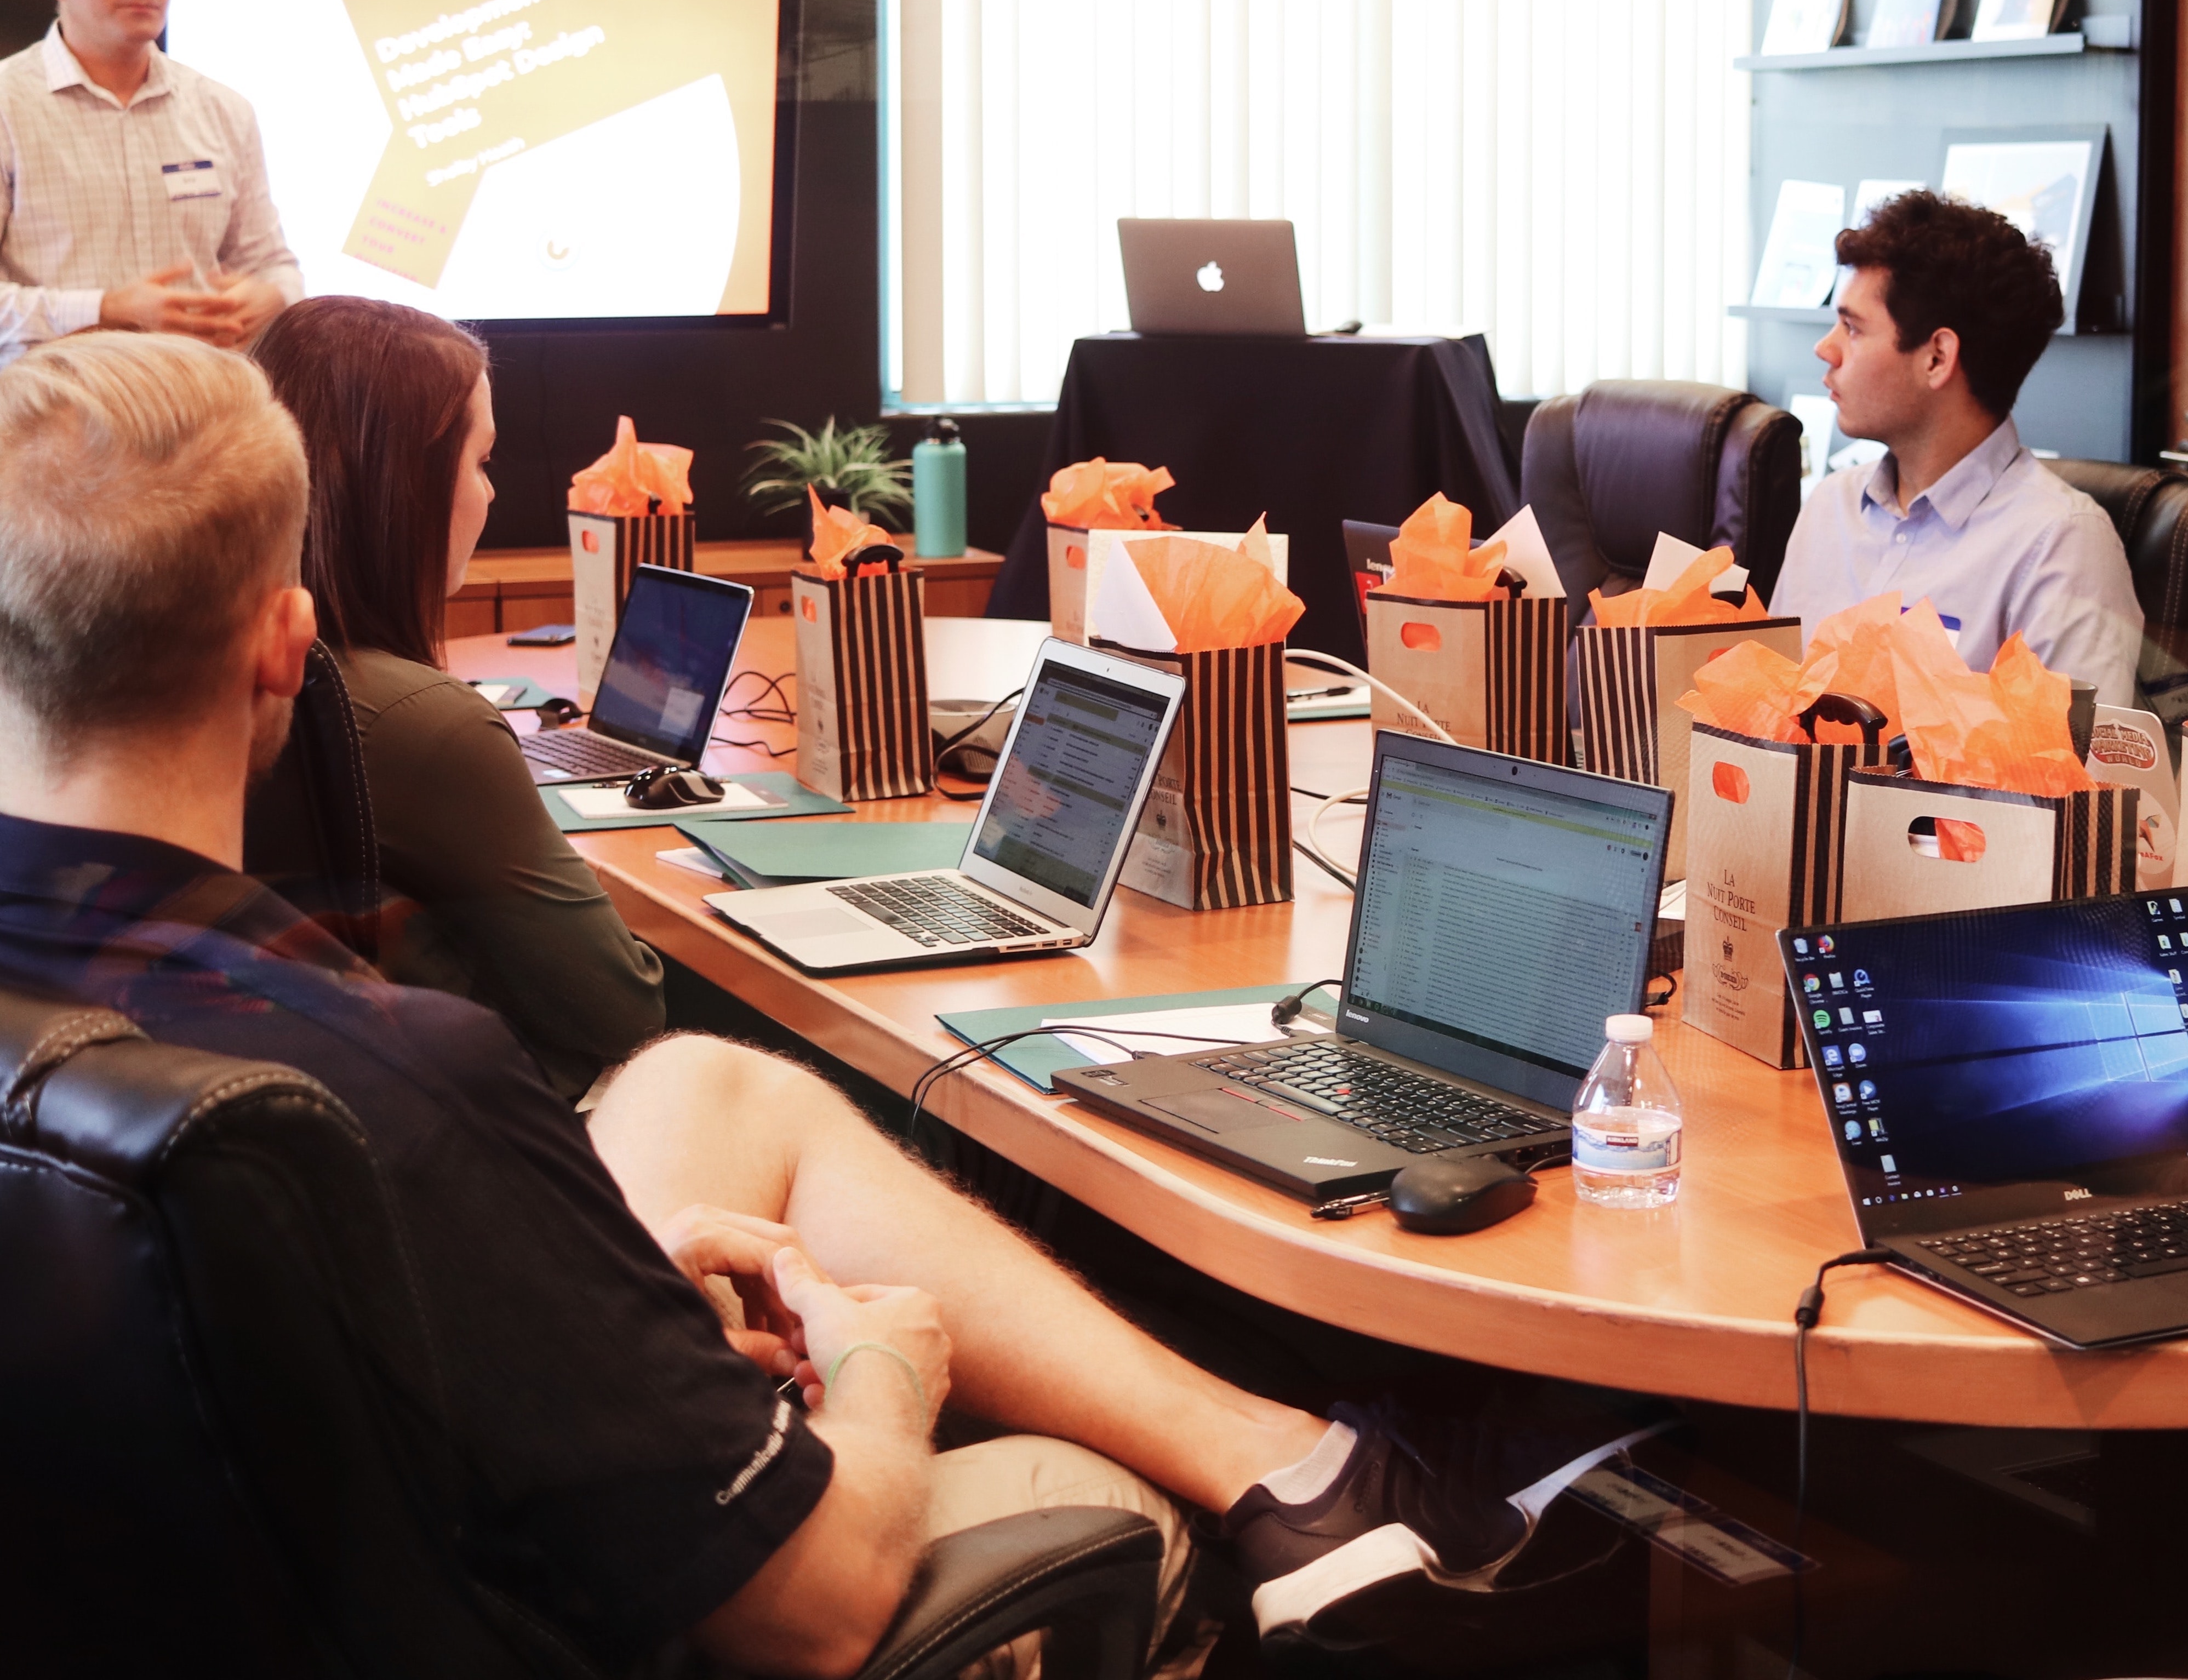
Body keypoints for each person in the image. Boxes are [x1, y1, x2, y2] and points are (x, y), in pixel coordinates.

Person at [0, 330, 1573, 1672]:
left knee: (710, 1085)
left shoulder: (182, 1038)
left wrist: (594, 1272)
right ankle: (1288, 1479)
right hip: (569, 1612)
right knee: (1088, 1489)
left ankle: (1292, 1456)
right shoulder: (413, 1082)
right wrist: (891, 1361)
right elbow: (811, 1609)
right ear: (286, 649)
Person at [248, 296, 662, 1100]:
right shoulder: (425, 725)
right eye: (481, 463)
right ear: (400, 486)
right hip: (487, 1135)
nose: (490, 496)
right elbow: (627, 1015)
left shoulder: (224, 673)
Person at [1772, 191, 2144, 707]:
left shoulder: (2060, 545)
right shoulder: (1828, 508)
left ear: (1937, 358)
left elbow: (2072, 780)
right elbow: (1763, 723)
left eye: (1853, 328)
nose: (1825, 348)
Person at [0, 0, 302, 364]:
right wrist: (107, 309)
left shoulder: (223, 108)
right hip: (56, 421)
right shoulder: (7, 106)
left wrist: (272, 296)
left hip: (208, 412)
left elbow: (275, 267)